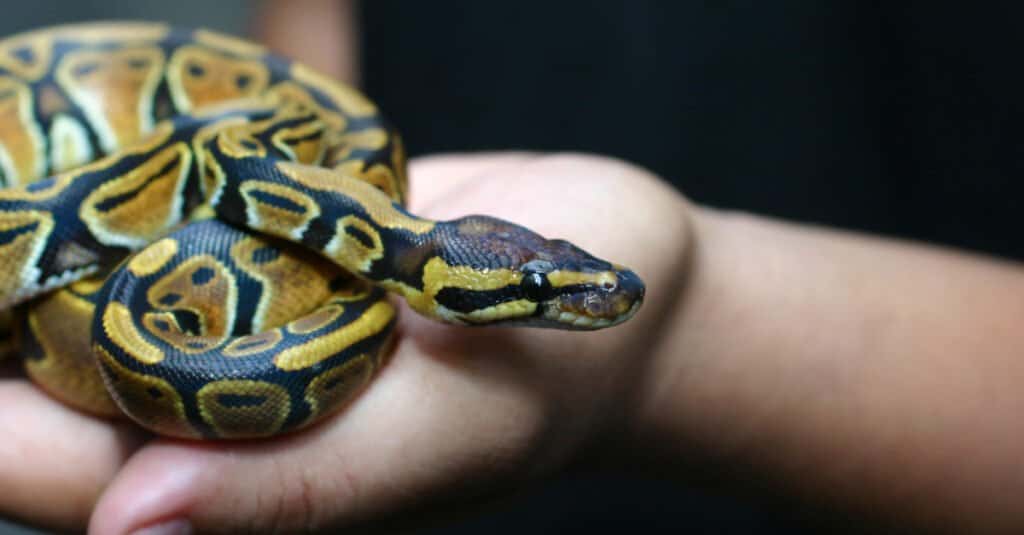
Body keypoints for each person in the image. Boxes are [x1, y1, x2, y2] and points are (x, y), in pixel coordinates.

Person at [3, 2, 1024, 534]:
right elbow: (315, 70)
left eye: (552, 277)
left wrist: (688, 326)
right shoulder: (359, 223)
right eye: (544, 284)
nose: (587, 287)